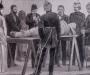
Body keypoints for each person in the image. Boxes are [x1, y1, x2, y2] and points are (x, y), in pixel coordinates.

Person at [30, 1, 60, 75]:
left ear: (44, 8)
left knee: (40, 55)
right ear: (51, 7)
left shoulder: (42, 16)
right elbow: (58, 28)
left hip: (45, 35)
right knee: (52, 55)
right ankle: (50, 73)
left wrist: (42, 37)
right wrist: (58, 37)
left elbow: (40, 29)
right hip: (53, 36)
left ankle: (37, 72)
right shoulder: (56, 15)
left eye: (44, 7)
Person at [69, 0, 85, 67]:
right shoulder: (71, 15)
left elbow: (82, 24)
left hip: (79, 34)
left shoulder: (82, 15)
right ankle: (72, 62)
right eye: (74, 6)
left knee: (81, 48)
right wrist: (72, 31)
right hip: (73, 33)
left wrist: (78, 31)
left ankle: (81, 62)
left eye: (76, 6)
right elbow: (69, 24)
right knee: (72, 48)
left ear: (79, 7)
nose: (75, 8)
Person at [26, 4, 40, 68]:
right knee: (33, 49)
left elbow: (41, 23)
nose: (34, 11)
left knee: (38, 49)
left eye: (35, 10)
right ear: (31, 10)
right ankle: (33, 64)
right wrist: (33, 20)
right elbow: (27, 22)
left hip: (37, 34)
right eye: (33, 10)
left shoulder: (38, 15)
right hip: (31, 34)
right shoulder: (28, 15)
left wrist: (38, 21)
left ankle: (37, 63)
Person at [0, 3, 7, 72]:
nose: (3, 10)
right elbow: (5, 28)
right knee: (2, 50)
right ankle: (2, 69)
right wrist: (5, 36)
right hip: (1, 32)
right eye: (2, 9)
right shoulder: (2, 17)